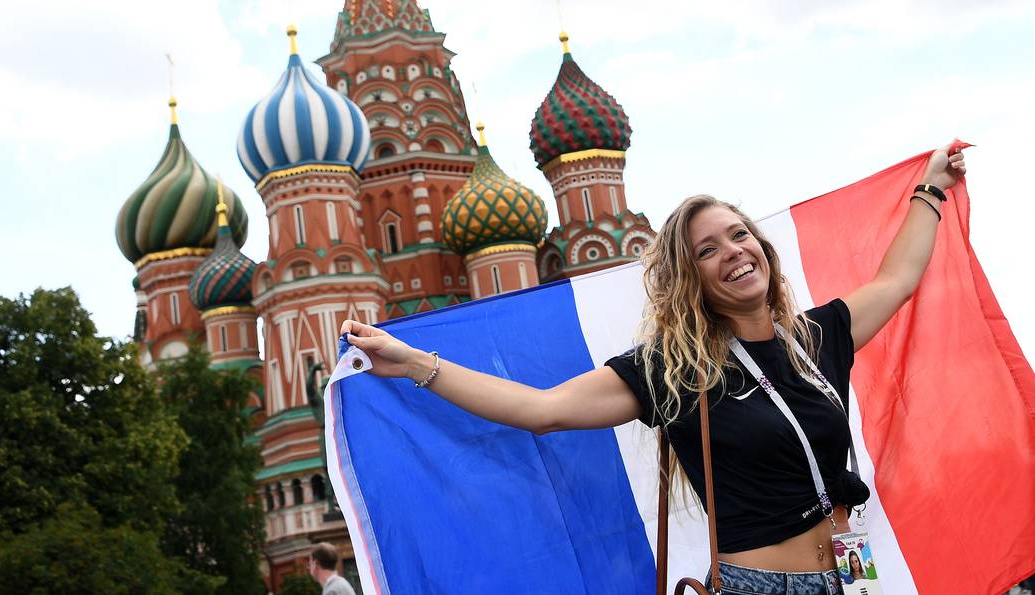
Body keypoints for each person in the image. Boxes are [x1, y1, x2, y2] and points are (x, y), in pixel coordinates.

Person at [340, 148, 967, 595]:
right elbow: (542, 410)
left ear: (763, 247)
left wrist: (931, 188)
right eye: (707, 250)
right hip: (760, 586)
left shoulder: (816, 336)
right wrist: (417, 363)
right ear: (691, 278)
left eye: (739, 235)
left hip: (855, 571)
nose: (734, 253)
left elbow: (898, 279)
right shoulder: (672, 370)